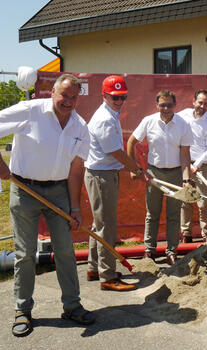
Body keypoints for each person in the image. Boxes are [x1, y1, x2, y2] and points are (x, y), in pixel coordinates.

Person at [0, 74, 95, 337]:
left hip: (58, 192)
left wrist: (75, 209)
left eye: (74, 97)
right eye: (64, 95)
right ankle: (23, 310)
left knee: (65, 251)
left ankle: (72, 305)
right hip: (24, 190)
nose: (68, 101)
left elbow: (76, 170)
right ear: (53, 92)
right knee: (25, 253)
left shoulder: (79, 126)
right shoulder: (31, 111)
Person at [84, 76, 141, 291]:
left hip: (103, 173)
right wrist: (137, 169)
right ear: (105, 95)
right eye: (115, 97)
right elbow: (116, 152)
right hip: (101, 175)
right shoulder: (105, 119)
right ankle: (107, 277)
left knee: (99, 224)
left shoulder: (111, 113)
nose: (119, 101)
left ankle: (94, 267)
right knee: (106, 226)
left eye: (123, 97)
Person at [127, 90, 193, 265]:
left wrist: (186, 180)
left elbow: (185, 154)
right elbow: (131, 142)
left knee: (173, 215)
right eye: (162, 105)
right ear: (157, 105)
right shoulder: (148, 121)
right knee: (152, 214)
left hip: (175, 174)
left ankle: (172, 251)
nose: (166, 108)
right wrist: (134, 169)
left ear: (174, 106)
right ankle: (149, 250)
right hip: (154, 174)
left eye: (169, 105)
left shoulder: (183, 124)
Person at [178, 89, 207, 242]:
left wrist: (197, 164)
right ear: (194, 101)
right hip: (184, 165)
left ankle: (206, 235)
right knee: (186, 201)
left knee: (204, 203)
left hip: (201, 166)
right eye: (200, 102)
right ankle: (186, 235)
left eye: (205, 104)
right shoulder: (183, 115)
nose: (202, 106)